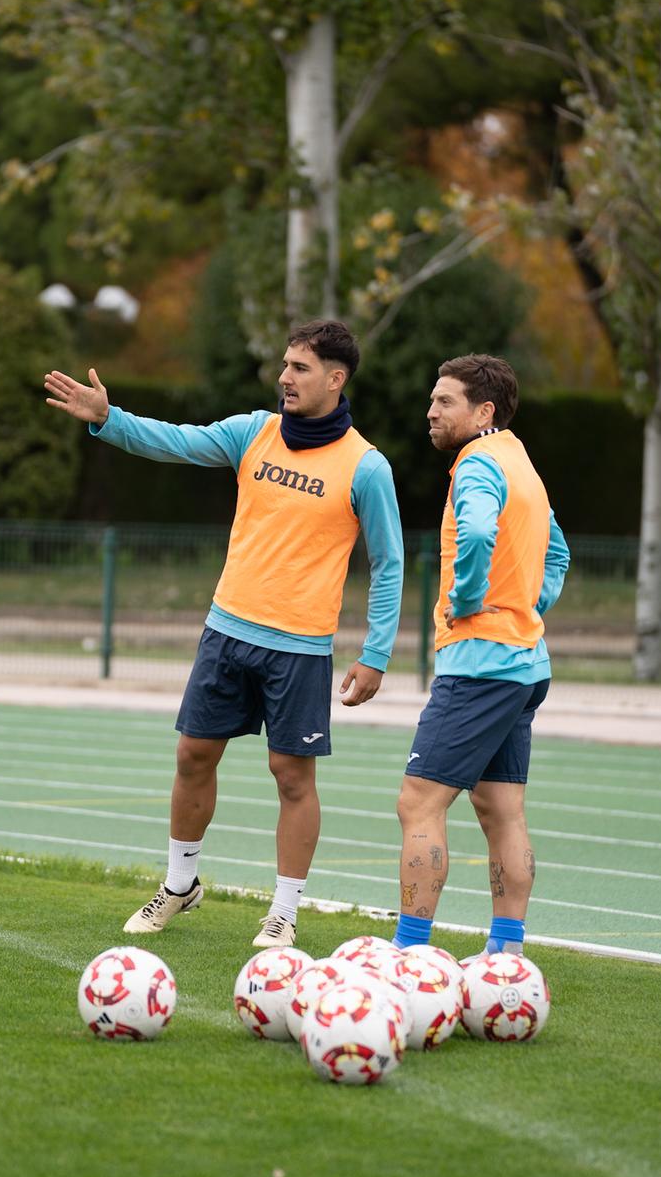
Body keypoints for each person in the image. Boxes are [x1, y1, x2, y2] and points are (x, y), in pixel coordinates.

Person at [44, 319, 404, 948]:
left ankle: (283, 913)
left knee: (291, 777)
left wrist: (375, 653)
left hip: (300, 649)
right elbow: (177, 441)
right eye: (285, 364)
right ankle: (179, 885)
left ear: (335, 378)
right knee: (192, 756)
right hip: (226, 630)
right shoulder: (253, 432)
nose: (284, 377)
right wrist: (110, 419)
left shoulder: (366, 467)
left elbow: (390, 563)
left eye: (299, 368)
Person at [391, 353, 570, 957]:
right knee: (501, 810)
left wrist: (467, 601)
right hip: (525, 661)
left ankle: (410, 953)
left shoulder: (476, 464)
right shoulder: (520, 460)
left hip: (480, 662)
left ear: (483, 410)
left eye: (445, 401)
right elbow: (559, 553)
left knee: (419, 802)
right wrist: (527, 605)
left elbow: (475, 532)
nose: (431, 411)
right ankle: (506, 956)